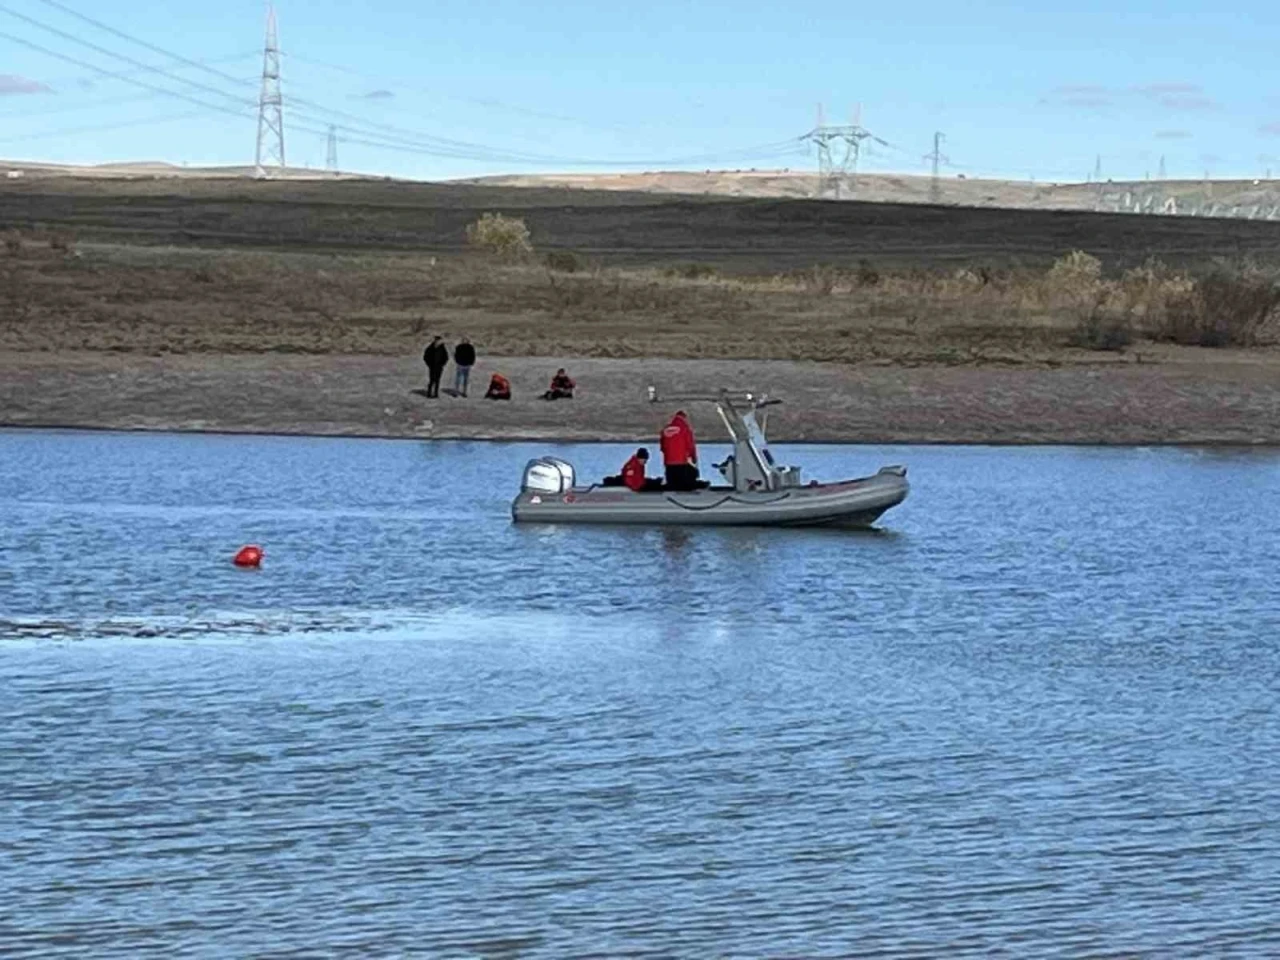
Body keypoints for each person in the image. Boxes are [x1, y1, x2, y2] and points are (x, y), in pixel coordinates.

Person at [660, 410, 701, 491]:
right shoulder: (685, 429)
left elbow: (663, 447)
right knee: (682, 485)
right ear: (684, 418)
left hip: (669, 462)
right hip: (681, 461)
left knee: (671, 484)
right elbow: (690, 445)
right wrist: (693, 457)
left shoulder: (665, 429)